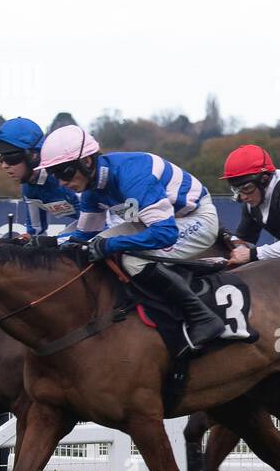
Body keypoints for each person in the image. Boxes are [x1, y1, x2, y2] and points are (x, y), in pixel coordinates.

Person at [37, 125, 227, 347]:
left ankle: (202, 316)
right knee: (89, 247)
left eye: (64, 172)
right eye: (54, 175)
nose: (61, 182)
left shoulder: (132, 176)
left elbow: (165, 234)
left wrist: (113, 245)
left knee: (131, 258)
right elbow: (84, 236)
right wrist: (48, 243)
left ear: (86, 162)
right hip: (159, 221)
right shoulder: (91, 191)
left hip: (196, 218)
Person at [0, 117, 79, 239]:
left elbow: (98, 223)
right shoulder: (28, 188)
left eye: (11, 158)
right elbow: (35, 232)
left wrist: (59, 241)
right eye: (0, 158)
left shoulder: (63, 177)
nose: (4, 166)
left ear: (33, 155)